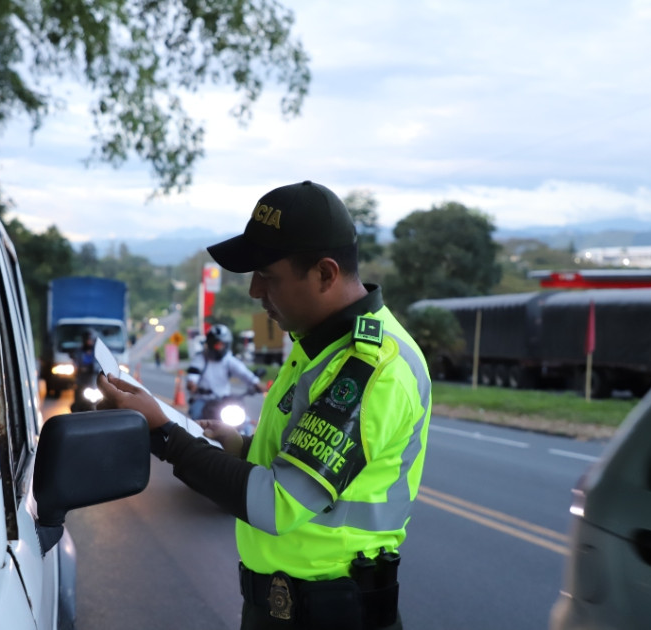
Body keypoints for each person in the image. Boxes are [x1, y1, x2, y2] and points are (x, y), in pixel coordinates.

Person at [98, 180, 432, 630]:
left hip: (332, 613)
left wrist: (167, 435)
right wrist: (238, 444)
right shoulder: (317, 342)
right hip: (286, 607)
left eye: (268, 276)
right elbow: (301, 455)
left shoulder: (370, 367)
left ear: (325, 274)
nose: (255, 292)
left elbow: (278, 504)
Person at [186, 324, 262, 420]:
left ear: (227, 344)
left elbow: (243, 373)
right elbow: (193, 375)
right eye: (216, 344)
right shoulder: (200, 358)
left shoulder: (229, 360)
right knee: (196, 417)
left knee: (245, 423)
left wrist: (256, 383)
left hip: (224, 401)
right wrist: (192, 384)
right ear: (209, 344)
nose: (219, 348)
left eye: (222, 344)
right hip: (202, 400)